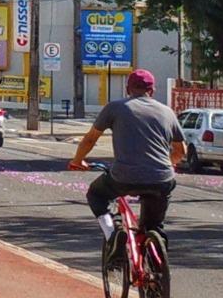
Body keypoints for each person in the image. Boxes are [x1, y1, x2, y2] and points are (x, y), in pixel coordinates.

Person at [67, 67, 187, 239]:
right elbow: (180, 151)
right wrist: (167, 163)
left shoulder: (115, 108)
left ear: (127, 89)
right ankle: (156, 246)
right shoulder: (167, 112)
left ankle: (113, 235)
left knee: (96, 194)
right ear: (152, 90)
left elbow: (90, 139)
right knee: (153, 226)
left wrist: (77, 161)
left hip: (124, 177)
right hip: (162, 178)